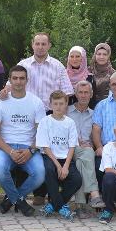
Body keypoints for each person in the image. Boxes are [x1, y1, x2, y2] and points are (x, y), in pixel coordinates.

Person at [0, 65, 46, 217]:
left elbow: (41, 133)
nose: (18, 81)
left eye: (22, 78)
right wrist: (10, 151)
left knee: (40, 174)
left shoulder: (36, 102)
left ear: (27, 80)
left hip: (29, 147)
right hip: (6, 147)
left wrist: (30, 150)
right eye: (15, 78)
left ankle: (10, 199)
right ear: (9, 80)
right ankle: (20, 202)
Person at [36, 91, 83, 220]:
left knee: (77, 180)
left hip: (65, 158)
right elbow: (45, 147)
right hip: (50, 156)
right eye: (55, 104)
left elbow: (72, 146)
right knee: (49, 171)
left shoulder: (70, 122)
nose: (58, 107)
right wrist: (58, 166)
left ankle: (53, 205)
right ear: (50, 105)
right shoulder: (45, 121)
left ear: (66, 104)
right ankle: (62, 207)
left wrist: (66, 166)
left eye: (61, 103)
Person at [67, 81, 104, 218]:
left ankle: (80, 206)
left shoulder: (95, 114)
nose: (83, 95)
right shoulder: (66, 111)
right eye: (80, 92)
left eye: (86, 92)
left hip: (86, 151)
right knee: (87, 153)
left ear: (91, 94)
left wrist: (93, 146)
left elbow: (96, 136)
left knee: (82, 160)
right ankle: (94, 194)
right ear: (75, 94)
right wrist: (76, 142)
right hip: (68, 149)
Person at [15, 33, 74, 111]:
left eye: (43, 44)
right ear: (32, 45)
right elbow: (10, 87)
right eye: (37, 44)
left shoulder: (58, 66)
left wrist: (60, 112)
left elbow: (66, 93)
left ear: (49, 45)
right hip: (27, 113)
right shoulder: (22, 65)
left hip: (51, 114)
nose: (40, 47)